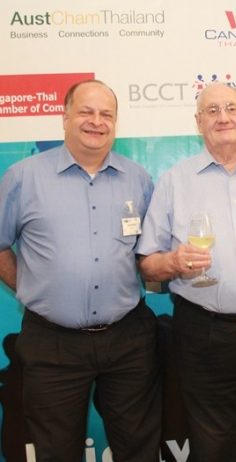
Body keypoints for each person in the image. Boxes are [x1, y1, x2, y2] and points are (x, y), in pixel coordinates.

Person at [137, 83, 236, 462]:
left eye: (231, 108)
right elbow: (147, 263)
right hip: (203, 332)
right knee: (212, 448)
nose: (223, 117)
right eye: (212, 111)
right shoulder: (175, 181)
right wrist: (173, 262)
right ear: (198, 122)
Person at [0, 80, 161, 462]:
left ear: (116, 123)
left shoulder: (138, 179)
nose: (96, 122)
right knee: (56, 452)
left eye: (107, 114)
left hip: (127, 339)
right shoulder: (23, 177)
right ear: (65, 117)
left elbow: (150, 251)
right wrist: (33, 288)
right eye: (86, 112)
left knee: (139, 447)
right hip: (52, 342)